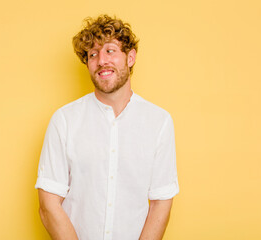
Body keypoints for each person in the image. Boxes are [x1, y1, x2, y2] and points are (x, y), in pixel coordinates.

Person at [35, 14, 179, 240]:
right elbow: (48, 204)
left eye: (110, 50)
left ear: (130, 57)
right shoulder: (64, 120)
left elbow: (161, 202)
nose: (101, 60)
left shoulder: (158, 121)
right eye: (93, 54)